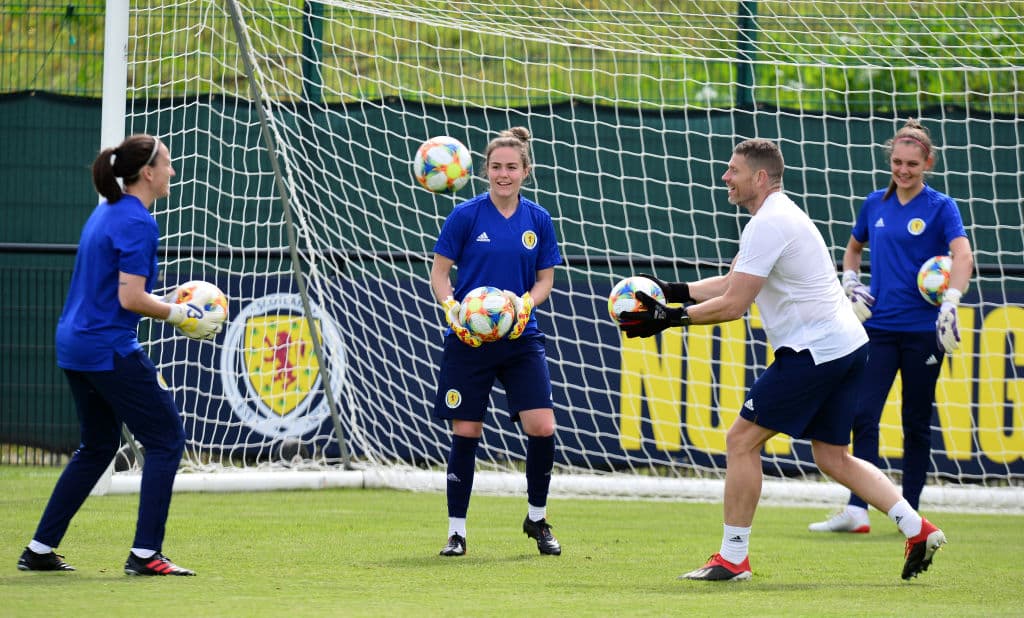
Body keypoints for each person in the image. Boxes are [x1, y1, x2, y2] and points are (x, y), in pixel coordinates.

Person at [618, 138, 946, 582]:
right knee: (833, 457)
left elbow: (734, 304)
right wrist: (674, 292)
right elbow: (735, 279)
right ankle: (917, 527)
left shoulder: (768, 223)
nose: (725, 178)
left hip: (815, 351)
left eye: (733, 170)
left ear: (759, 177)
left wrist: (669, 318)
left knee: (740, 441)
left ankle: (733, 557)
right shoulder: (775, 216)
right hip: (847, 345)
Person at [17, 134, 222, 576]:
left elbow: (119, 291)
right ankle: (146, 554)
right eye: (166, 164)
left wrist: (167, 301)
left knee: (98, 445)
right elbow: (130, 298)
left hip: (75, 344)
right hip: (106, 348)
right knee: (166, 438)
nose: (172, 171)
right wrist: (177, 313)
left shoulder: (107, 212)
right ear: (147, 172)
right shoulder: (138, 222)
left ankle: (39, 548)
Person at [809, 119, 974, 533]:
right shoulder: (874, 204)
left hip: (923, 332)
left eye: (912, 164)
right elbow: (852, 250)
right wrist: (850, 282)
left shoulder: (941, 207)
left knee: (915, 422)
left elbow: (963, 257)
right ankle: (858, 510)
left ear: (928, 163)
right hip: (878, 329)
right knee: (863, 415)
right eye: (897, 162)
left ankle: (910, 514)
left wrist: (951, 302)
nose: (903, 170)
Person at [429, 126, 564, 557]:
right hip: (469, 340)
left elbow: (545, 280)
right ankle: (456, 532)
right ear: (484, 170)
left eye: (511, 167)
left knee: (542, 427)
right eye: (496, 167)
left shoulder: (538, 220)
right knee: (467, 431)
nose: (503, 174)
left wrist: (524, 304)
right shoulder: (465, 215)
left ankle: (538, 520)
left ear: (526, 170)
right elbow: (440, 273)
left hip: (521, 337)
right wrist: (453, 308)